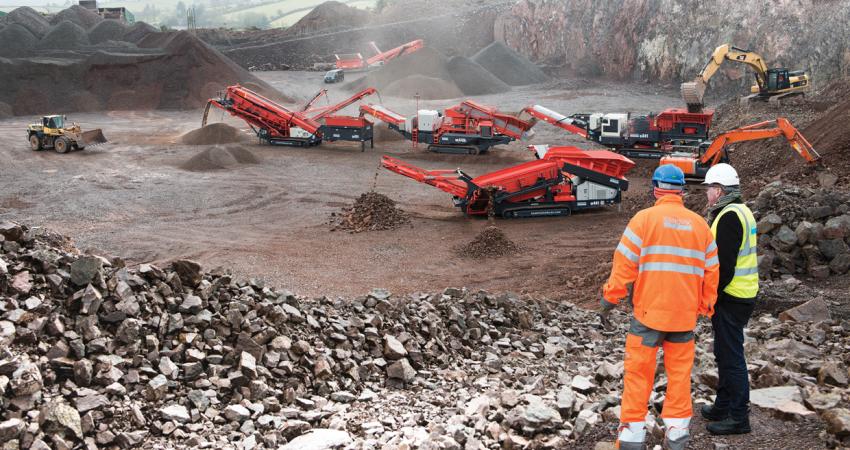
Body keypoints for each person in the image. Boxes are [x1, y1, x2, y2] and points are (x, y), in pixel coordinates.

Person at [601, 164, 719, 450]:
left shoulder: (644, 220)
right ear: (681, 190)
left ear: (656, 188)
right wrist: (704, 306)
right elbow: (712, 271)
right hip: (683, 318)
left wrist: (610, 298)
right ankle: (677, 436)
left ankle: (632, 438)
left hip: (648, 316)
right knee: (679, 377)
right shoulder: (699, 225)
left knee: (639, 374)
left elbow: (624, 263)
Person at [699, 163, 759, 435]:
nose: (707, 194)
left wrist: (711, 296)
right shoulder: (742, 210)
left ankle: (738, 416)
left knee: (732, 357)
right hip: (742, 294)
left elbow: (724, 267)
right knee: (724, 353)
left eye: (709, 188)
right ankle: (722, 406)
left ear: (720, 190)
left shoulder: (729, 216)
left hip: (731, 296)